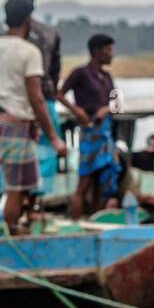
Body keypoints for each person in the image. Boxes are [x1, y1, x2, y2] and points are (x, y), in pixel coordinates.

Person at [0, 0, 67, 232]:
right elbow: (36, 98)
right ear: (28, 19)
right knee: (15, 187)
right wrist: (55, 137)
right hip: (12, 124)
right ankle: (8, 232)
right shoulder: (29, 52)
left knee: (25, 180)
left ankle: (16, 225)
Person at [8, 0, 62, 191]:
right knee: (47, 152)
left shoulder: (6, 38)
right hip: (44, 100)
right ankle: (38, 204)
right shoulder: (49, 33)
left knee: (14, 158)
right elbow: (55, 73)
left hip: (14, 105)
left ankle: (18, 202)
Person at [59, 34, 122, 217]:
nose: (111, 54)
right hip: (90, 131)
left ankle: (96, 221)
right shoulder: (81, 73)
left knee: (101, 182)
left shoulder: (107, 76)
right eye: (108, 50)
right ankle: (77, 220)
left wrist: (106, 109)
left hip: (105, 132)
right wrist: (77, 111)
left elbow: (116, 103)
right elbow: (59, 94)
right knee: (84, 182)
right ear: (96, 52)